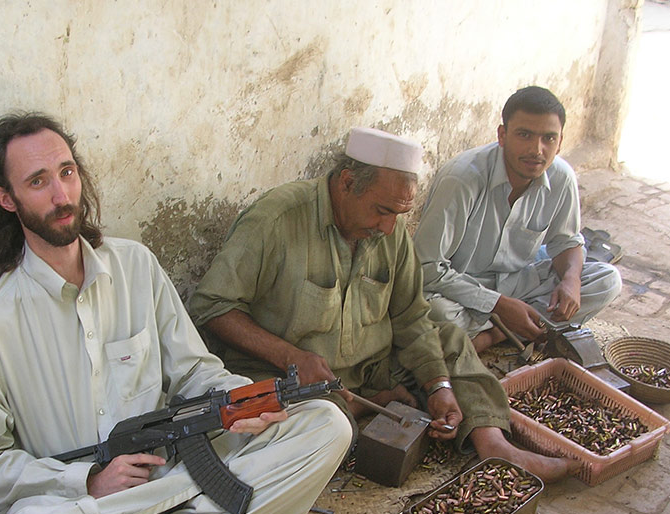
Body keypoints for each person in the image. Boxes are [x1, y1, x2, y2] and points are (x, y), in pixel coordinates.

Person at [0, 112, 353, 514]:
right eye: (37, 182)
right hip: (84, 509)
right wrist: (88, 481)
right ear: (6, 198)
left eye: (67, 172)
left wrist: (237, 402)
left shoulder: (134, 265)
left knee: (326, 425)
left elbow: (191, 370)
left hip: (177, 477)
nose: (62, 194)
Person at [188, 126, 576, 483]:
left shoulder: (389, 231)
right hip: (291, 377)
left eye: (400, 213)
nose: (390, 228)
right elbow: (212, 306)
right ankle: (365, 408)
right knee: (294, 422)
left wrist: (437, 385)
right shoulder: (277, 219)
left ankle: (493, 444)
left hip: (373, 366)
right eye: (382, 210)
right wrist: (291, 356)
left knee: (448, 339)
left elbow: (411, 316)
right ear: (346, 183)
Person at [413, 86, 621, 353]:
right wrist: (498, 305)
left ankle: (493, 336)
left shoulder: (561, 177)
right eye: (524, 135)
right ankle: (521, 329)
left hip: (520, 282)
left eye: (548, 138)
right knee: (435, 313)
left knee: (606, 279)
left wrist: (571, 280)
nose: (537, 149)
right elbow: (427, 268)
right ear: (502, 135)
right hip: (462, 289)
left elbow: (565, 241)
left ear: (560, 142)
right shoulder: (463, 179)